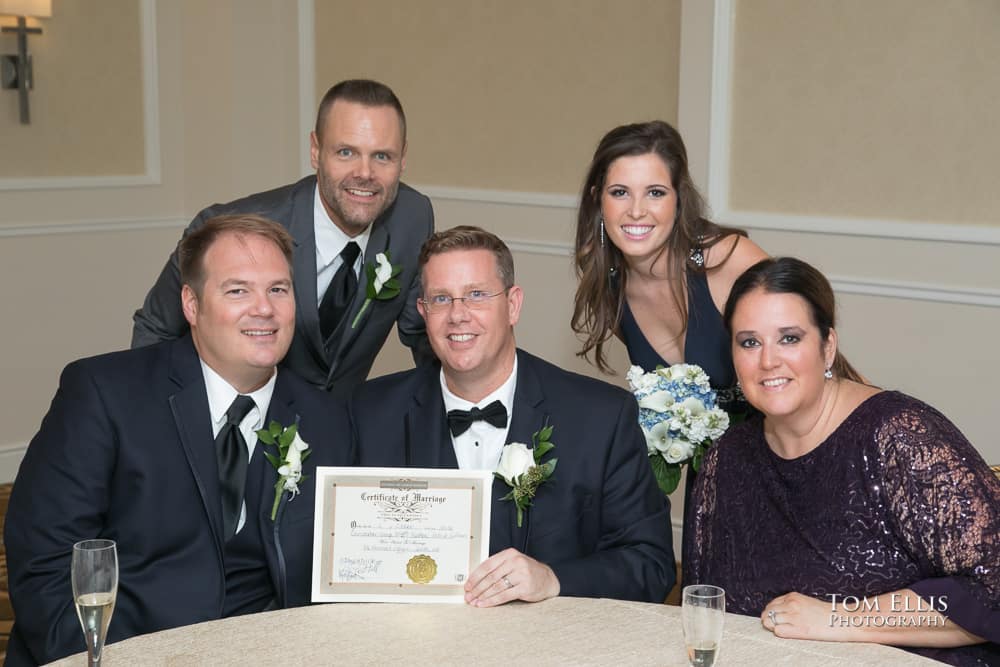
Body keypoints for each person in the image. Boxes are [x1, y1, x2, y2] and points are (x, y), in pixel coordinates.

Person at [4, 216, 354, 666]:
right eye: (237, 290)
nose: (263, 308)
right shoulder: (104, 393)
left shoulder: (327, 418)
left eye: (278, 289)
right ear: (191, 304)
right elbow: (45, 564)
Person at [683, 257, 1000, 666]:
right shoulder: (726, 461)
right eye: (749, 342)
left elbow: (991, 588)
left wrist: (840, 618)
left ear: (827, 347)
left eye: (789, 338)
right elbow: (702, 610)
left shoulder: (897, 436)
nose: (767, 361)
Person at [351, 226, 675, 606]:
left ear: (513, 305)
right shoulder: (370, 412)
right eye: (441, 299)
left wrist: (555, 579)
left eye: (476, 295)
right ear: (423, 313)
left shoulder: (600, 417)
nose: (458, 315)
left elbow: (651, 564)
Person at [132, 79, 435, 398]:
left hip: (341, 428)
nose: (365, 173)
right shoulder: (228, 229)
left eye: (382, 157)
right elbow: (156, 331)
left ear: (403, 159)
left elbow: (423, 333)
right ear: (316, 151)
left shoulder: (412, 219)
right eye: (346, 152)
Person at [572, 120, 768, 417]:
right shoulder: (610, 286)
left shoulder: (727, 259)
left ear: (678, 200)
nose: (637, 211)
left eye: (655, 193)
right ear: (597, 199)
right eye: (620, 192)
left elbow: (815, 360)